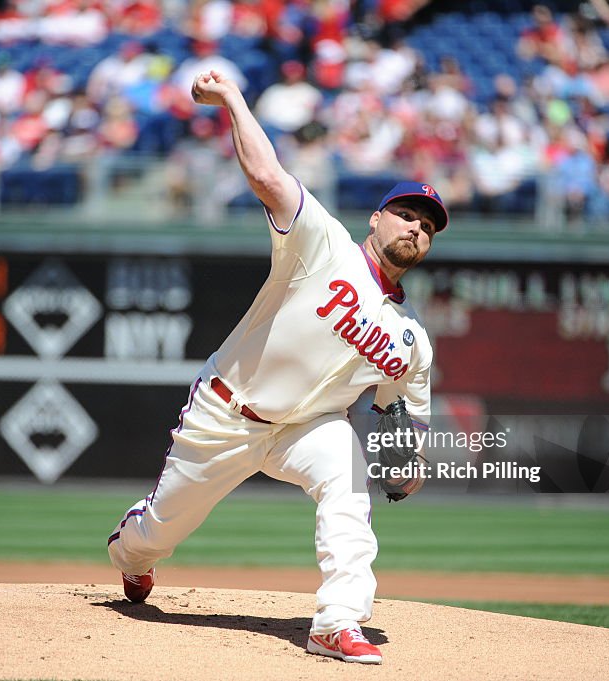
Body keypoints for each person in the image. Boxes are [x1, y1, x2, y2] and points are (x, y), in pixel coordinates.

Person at [106, 70, 446, 665]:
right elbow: (266, 176)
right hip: (227, 409)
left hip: (308, 428)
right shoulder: (325, 243)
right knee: (154, 535)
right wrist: (235, 98)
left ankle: (337, 622)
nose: (415, 226)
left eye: (427, 225)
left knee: (347, 474)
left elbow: (409, 417)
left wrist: (410, 466)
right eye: (406, 213)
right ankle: (132, 557)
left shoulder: (413, 338)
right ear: (376, 219)